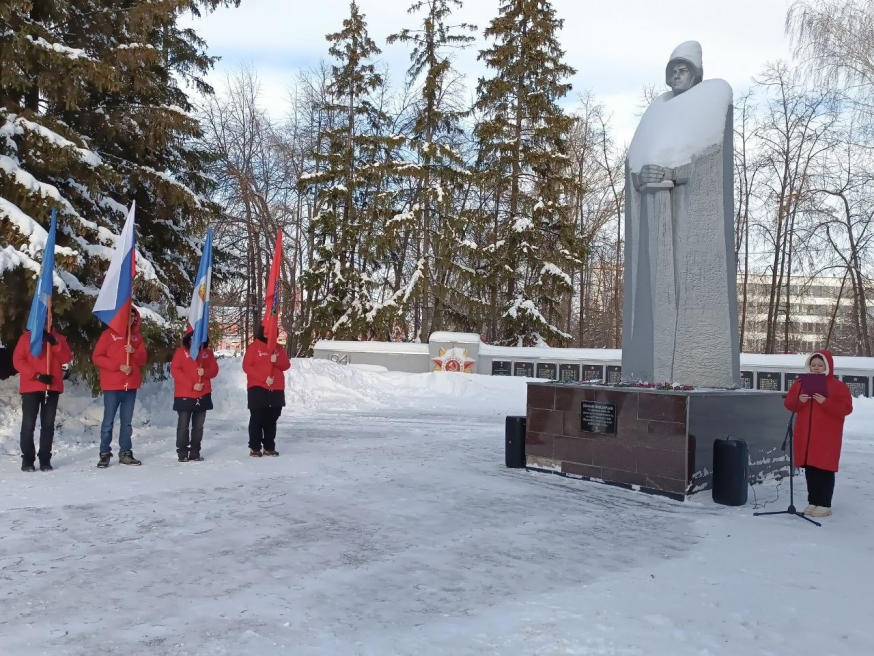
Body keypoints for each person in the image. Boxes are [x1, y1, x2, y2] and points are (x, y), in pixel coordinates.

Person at [784, 350, 853, 518]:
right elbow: (788, 404)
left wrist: (826, 402)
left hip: (827, 437)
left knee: (824, 468)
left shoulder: (838, 386)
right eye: (813, 365)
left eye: (820, 365)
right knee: (810, 468)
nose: (816, 368)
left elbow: (846, 409)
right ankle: (813, 501)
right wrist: (798, 401)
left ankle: (824, 504)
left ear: (827, 366)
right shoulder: (800, 384)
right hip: (805, 435)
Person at [91, 307, 147, 468]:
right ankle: (104, 453)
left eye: (133, 317)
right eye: (128, 316)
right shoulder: (108, 335)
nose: (131, 320)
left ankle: (125, 452)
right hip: (112, 385)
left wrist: (134, 351)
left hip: (130, 386)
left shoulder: (136, 337)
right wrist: (118, 366)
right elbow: (97, 357)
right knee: (108, 421)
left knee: (127, 422)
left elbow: (143, 359)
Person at [12, 328, 73, 471]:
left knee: (48, 425)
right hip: (31, 386)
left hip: (51, 387)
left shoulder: (58, 338)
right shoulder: (26, 338)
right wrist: (37, 375)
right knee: (28, 424)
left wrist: (55, 343)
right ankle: (27, 459)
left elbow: (66, 358)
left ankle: (45, 459)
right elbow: (18, 361)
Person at [170, 331, 219, 462]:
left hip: (203, 394)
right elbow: (175, 370)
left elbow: (214, 370)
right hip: (185, 394)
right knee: (183, 425)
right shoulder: (181, 352)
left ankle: (195, 452)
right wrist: (192, 385)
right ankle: (182, 452)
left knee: (198, 426)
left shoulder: (207, 353)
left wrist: (205, 372)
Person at [242, 326, 290, 457]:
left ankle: (269, 446)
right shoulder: (254, 347)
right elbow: (247, 366)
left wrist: (277, 360)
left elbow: (286, 365)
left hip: (276, 389)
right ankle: (255, 447)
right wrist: (264, 379)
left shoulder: (278, 348)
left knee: (271, 419)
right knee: (257, 418)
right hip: (257, 388)